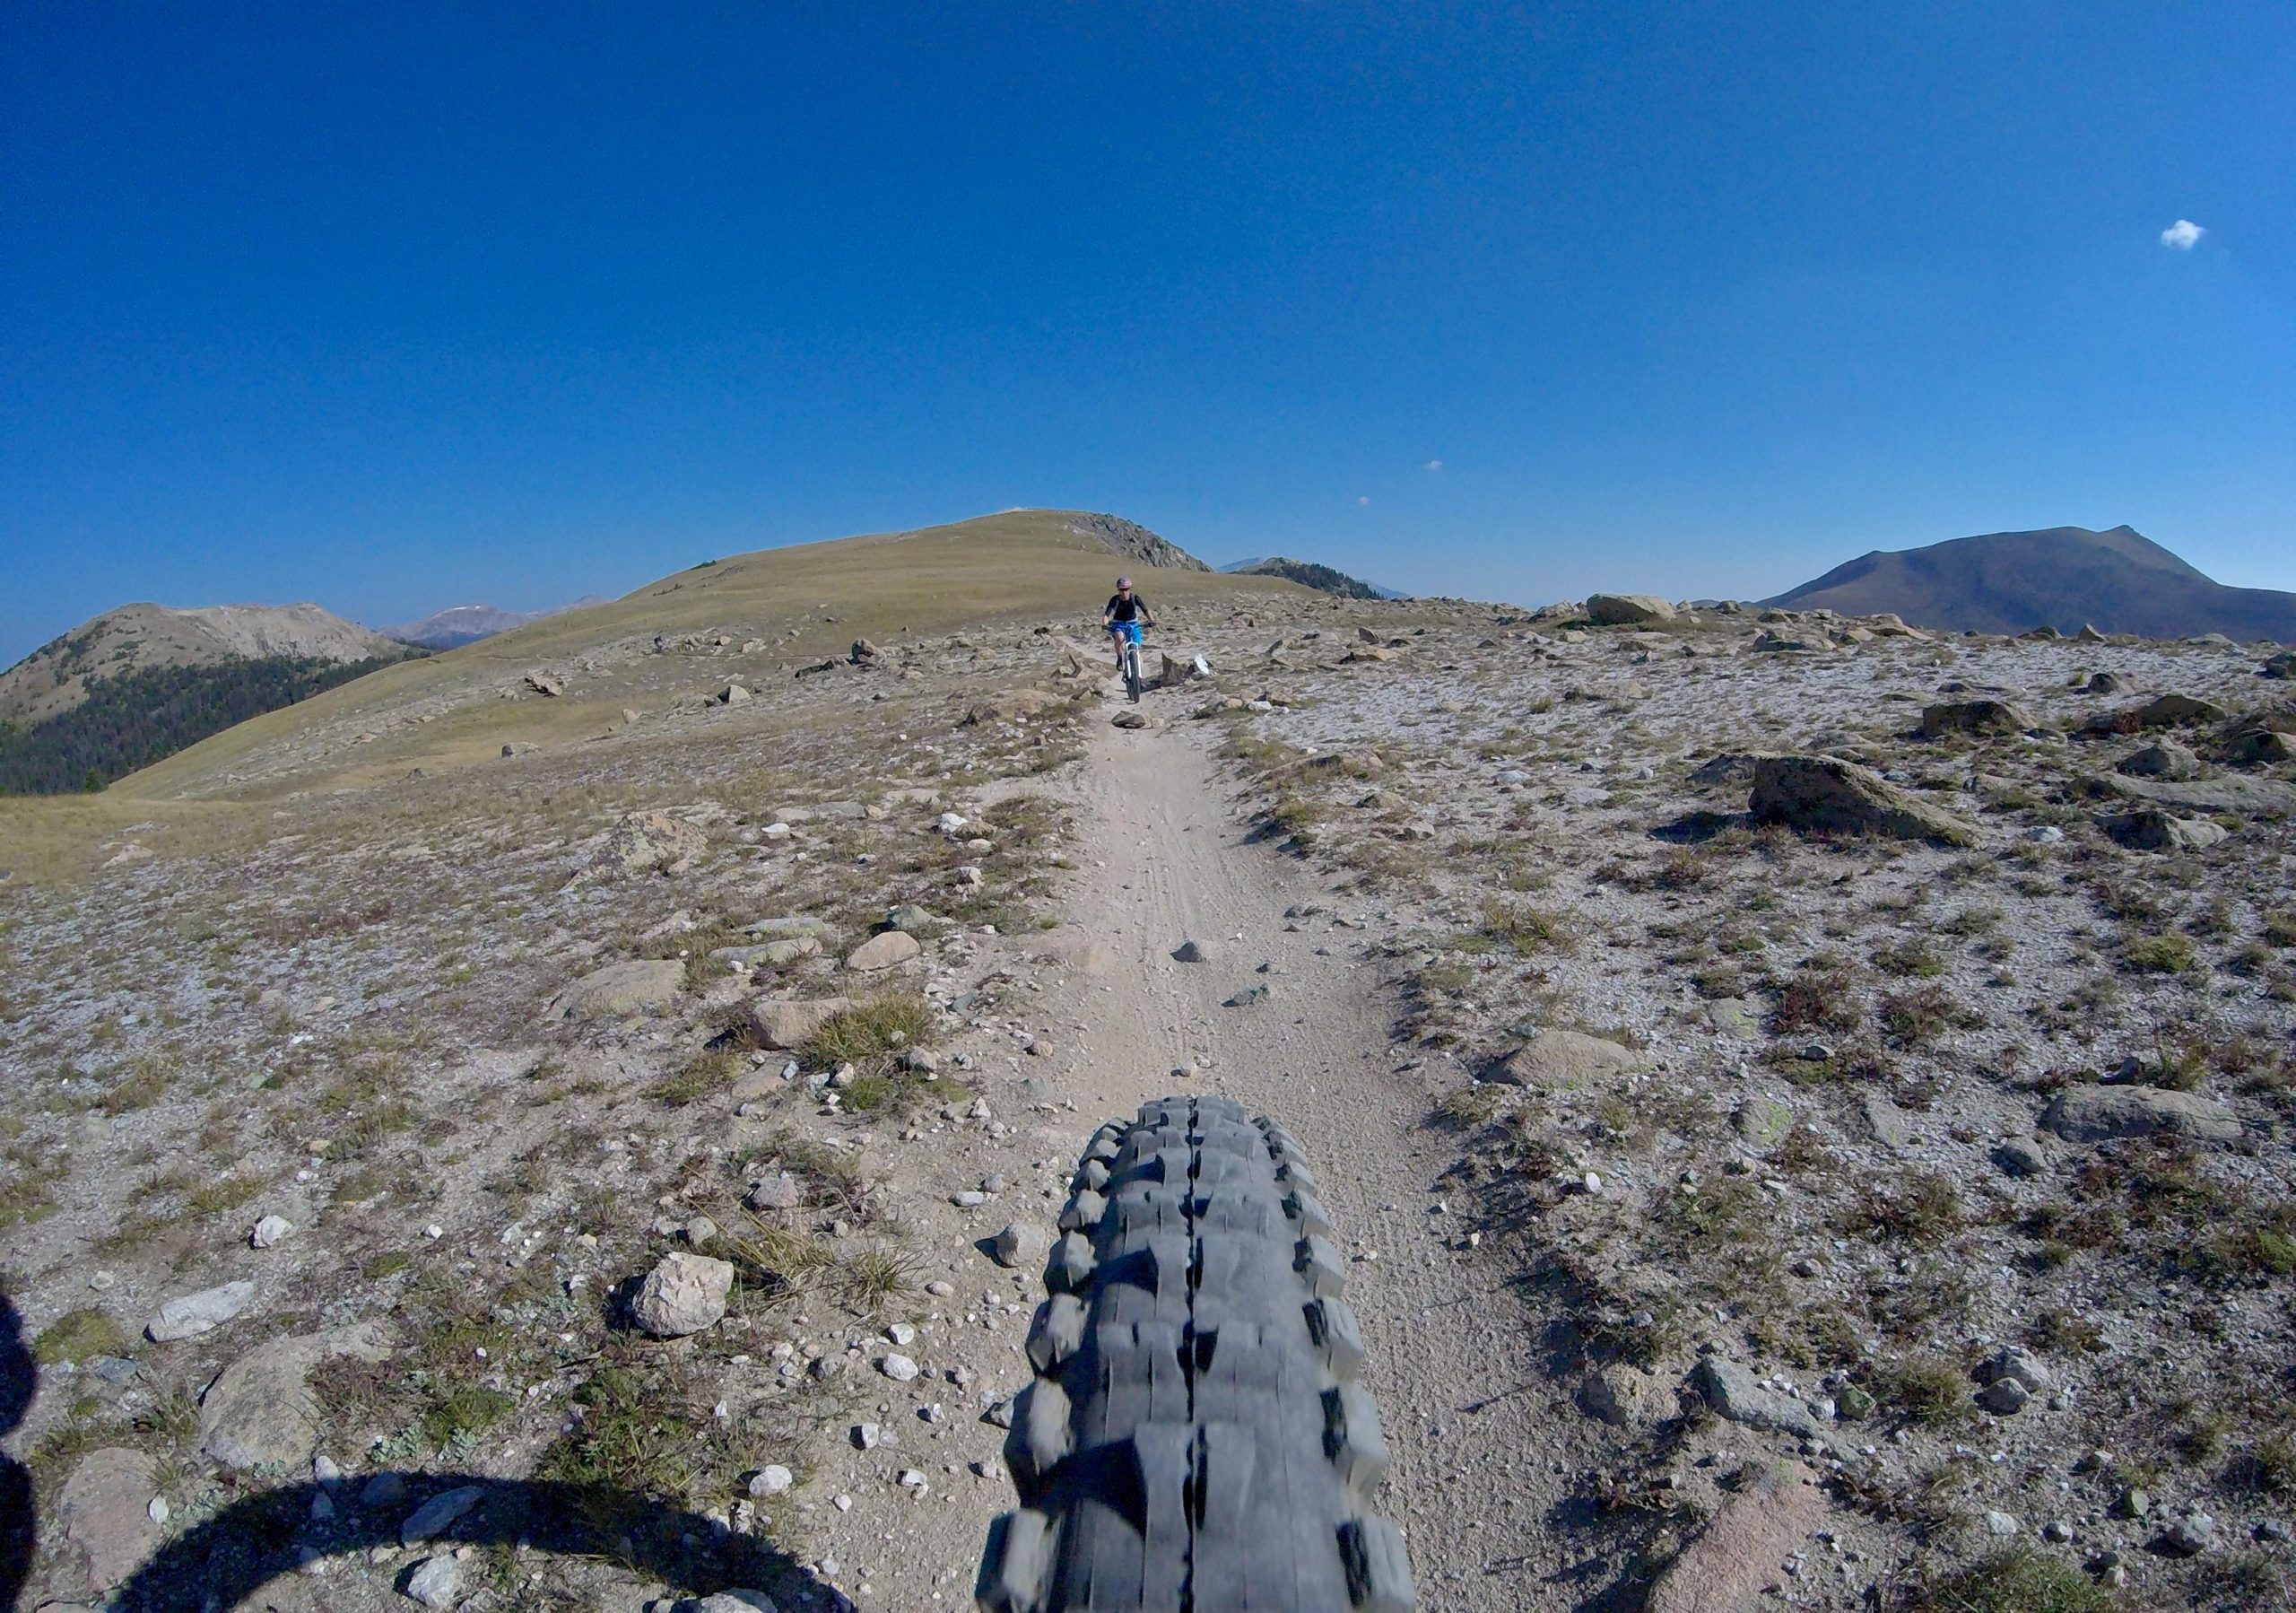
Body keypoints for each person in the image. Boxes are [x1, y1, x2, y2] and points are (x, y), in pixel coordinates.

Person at [1102, 578, 1155, 672]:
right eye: (1121, 590)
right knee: (1119, 637)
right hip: (1119, 623)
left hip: (1133, 624)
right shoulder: (1115, 600)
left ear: (1129, 589)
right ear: (1118, 589)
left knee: (1136, 649)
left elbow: (1145, 610)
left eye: (1126, 589)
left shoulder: (1135, 598)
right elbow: (1107, 614)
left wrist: (1152, 620)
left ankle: (1139, 677)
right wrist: (1105, 624)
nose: (1124, 592)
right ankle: (1119, 658)